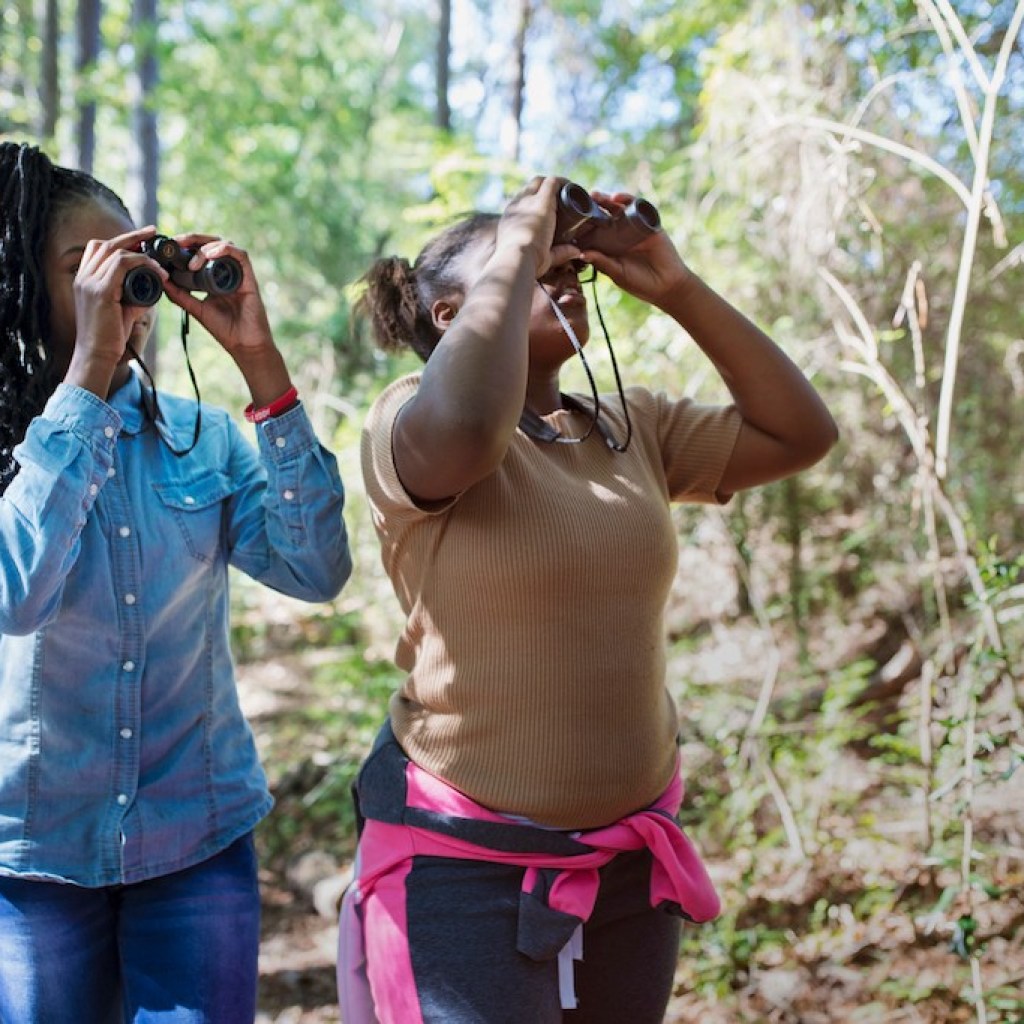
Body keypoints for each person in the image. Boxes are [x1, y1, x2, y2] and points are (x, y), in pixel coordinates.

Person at [341, 174, 838, 1024]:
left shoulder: (628, 426)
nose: (560, 272)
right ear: (451, 316)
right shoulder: (409, 422)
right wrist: (524, 235)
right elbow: (465, 431)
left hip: (628, 858)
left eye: (567, 266)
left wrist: (676, 288)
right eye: (529, 267)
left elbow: (801, 433)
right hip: (464, 860)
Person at [0, 141, 353, 1023]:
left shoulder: (204, 437)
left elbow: (317, 569)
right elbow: (17, 590)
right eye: (88, 269)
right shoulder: (12, 452)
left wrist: (259, 359)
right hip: (32, 855)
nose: (124, 292)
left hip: (195, 839)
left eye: (136, 263)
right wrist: (85, 373)